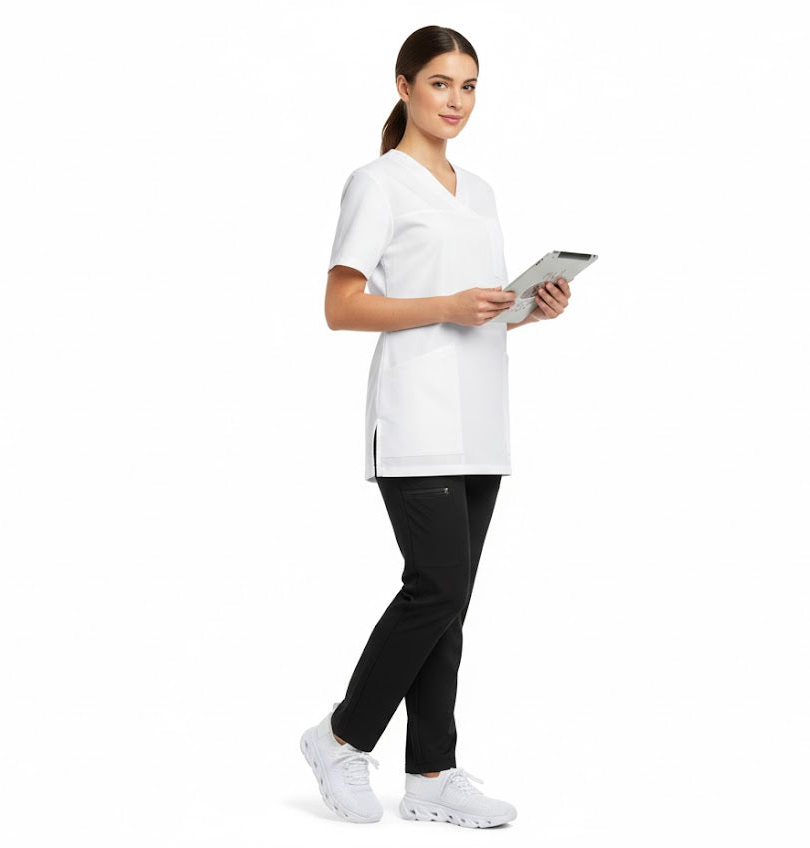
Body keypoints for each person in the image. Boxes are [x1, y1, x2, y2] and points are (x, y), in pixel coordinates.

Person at [299, 25, 571, 828]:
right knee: (436, 589)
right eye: (442, 83)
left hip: (483, 418)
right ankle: (340, 736)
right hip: (416, 415)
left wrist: (525, 309)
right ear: (405, 86)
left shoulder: (478, 191)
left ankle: (430, 773)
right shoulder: (377, 183)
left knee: (451, 604)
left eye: (470, 86)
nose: (457, 100)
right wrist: (449, 305)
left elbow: (471, 312)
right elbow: (341, 306)